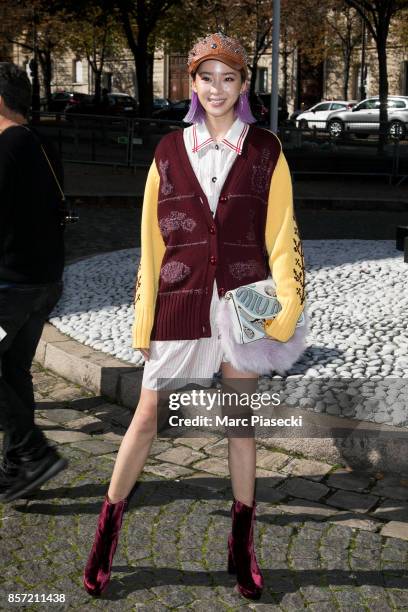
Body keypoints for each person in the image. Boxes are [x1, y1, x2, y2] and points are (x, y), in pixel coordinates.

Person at [83, 32, 305, 600]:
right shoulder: (166, 152)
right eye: (206, 78)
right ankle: (107, 531)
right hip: (181, 299)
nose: (216, 89)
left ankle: (242, 545)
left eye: (228, 78)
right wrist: (143, 320)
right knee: (149, 415)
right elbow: (150, 245)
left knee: (240, 424)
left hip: (246, 299)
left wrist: (285, 307)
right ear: (192, 83)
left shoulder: (266, 150)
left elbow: (281, 235)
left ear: (244, 85)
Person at [0, 62, 68, 504]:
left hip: (11, 286)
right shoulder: (42, 142)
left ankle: (33, 451)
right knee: (13, 369)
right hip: (43, 281)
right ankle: (18, 470)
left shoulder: (8, 146)